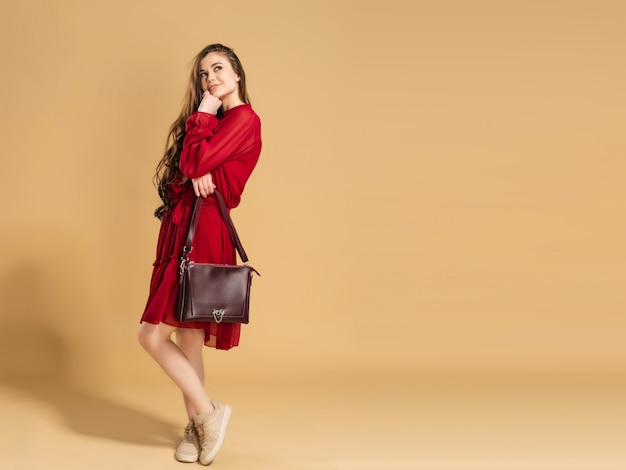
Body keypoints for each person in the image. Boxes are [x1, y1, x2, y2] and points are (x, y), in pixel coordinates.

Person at [137, 43, 262, 465]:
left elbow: (196, 163)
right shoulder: (217, 123)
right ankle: (196, 428)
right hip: (184, 225)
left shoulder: (244, 119)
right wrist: (197, 164)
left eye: (219, 69)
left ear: (238, 73)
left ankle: (208, 414)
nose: (210, 79)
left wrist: (204, 119)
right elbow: (182, 175)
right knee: (189, 337)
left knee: (150, 335)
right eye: (204, 75)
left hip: (205, 229)